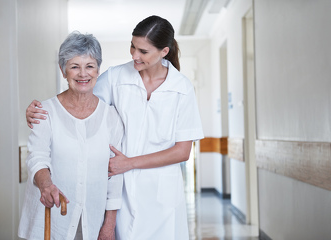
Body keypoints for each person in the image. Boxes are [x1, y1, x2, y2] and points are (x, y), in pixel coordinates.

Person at [26, 15, 204, 240]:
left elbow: (182, 151)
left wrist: (129, 163)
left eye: (143, 51)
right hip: (122, 192)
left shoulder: (182, 88)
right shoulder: (116, 77)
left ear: (164, 52)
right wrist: (39, 111)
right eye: (132, 46)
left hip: (161, 193)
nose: (134, 55)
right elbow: (79, 101)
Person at [19, 32, 124, 240]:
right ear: (63, 71)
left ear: (98, 69)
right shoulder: (44, 111)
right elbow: (37, 157)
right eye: (74, 66)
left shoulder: (111, 117)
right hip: (51, 220)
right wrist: (46, 185)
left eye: (90, 66)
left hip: (93, 221)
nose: (82, 74)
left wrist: (109, 225)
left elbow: (115, 174)